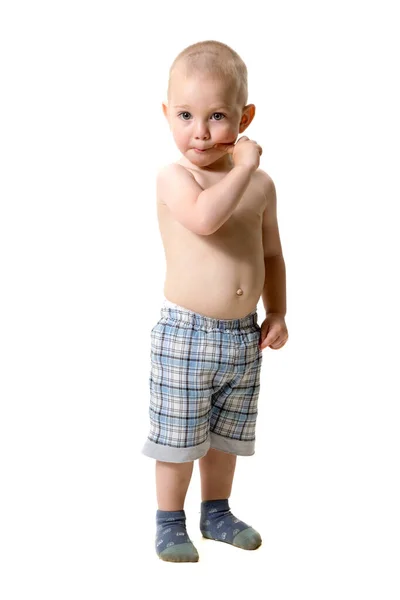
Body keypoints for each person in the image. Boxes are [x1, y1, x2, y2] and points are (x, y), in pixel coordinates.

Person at [142, 40, 288, 562]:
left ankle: (217, 512)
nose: (199, 131)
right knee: (179, 438)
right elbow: (206, 218)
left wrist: (277, 311)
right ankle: (168, 521)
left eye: (217, 115)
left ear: (244, 117)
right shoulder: (176, 177)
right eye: (185, 115)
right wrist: (243, 168)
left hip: (242, 335)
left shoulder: (261, 186)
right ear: (167, 114)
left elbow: (271, 253)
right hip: (187, 334)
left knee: (227, 437)